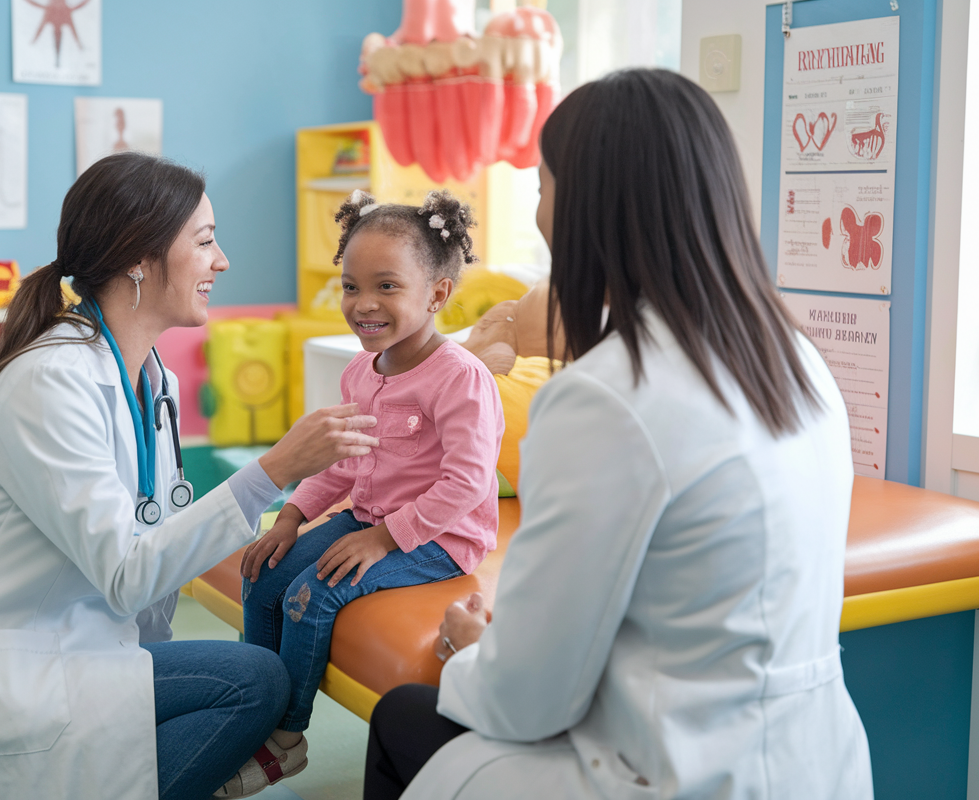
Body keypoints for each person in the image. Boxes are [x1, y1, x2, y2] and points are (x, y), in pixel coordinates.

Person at [365, 68, 873, 799]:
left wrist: (471, 653)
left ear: (582, 206)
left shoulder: (607, 399)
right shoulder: (796, 360)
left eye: (541, 184)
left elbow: (526, 698)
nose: (538, 208)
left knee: (406, 715)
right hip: (812, 763)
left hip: (668, 772)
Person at [0, 152, 380, 800]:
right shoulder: (52, 380)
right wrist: (274, 469)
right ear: (140, 256)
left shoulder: (146, 376)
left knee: (253, 680)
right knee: (251, 681)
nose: (222, 261)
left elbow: (143, 556)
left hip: (71, 650)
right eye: (206, 241)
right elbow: (126, 572)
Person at [230, 189, 505, 796]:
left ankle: (285, 741)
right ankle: (250, 717)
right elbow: (341, 461)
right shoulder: (362, 370)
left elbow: (467, 483)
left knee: (310, 596)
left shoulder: (460, 377)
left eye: (386, 286)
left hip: (440, 536)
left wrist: (383, 539)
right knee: (264, 572)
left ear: (436, 294)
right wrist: (290, 517)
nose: (363, 305)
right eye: (351, 286)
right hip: (367, 517)